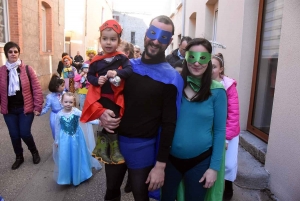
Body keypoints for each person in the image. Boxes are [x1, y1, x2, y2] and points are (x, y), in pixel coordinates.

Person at [96, 15, 183, 201]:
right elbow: (102, 96)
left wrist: (160, 165)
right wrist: (101, 113)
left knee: (140, 195)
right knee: (111, 190)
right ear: (146, 34)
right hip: (113, 140)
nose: (155, 40)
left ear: (170, 41)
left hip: (143, 147)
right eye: (153, 33)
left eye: (163, 37)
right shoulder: (126, 67)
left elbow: (169, 123)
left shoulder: (170, 78)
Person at [161, 38, 227, 201]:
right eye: (192, 57)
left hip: (200, 162)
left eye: (203, 58)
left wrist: (214, 168)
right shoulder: (175, 86)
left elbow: (219, 131)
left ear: (209, 61)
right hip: (170, 160)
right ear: (185, 58)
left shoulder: (217, 91)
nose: (197, 63)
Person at [81, 19, 133, 165]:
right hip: (102, 97)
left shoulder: (121, 57)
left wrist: (116, 72)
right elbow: (90, 76)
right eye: (105, 39)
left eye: (112, 39)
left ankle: (101, 147)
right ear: (100, 40)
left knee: (114, 119)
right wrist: (97, 81)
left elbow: (129, 71)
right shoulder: (96, 60)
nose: (108, 43)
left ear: (118, 41)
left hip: (116, 96)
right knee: (112, 118)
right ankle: (114, 150)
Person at [0, 41, 43, 170]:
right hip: (9, 110)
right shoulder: (2, 71)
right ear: (6, 53)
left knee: (24, 133)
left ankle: (34, 151)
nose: (13, 54)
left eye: (15, 51)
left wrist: (38, 106)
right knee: (14, 135)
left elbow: (36, 89)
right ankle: (19, 157)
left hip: (26, 108)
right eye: (10, 52)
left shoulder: (27, 69)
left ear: (19, 53)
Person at [53, 92, 101, 186]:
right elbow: (57, 128)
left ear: (74, 102)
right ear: (61, 102)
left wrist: (97, 122)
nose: (68, 104)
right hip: (65, 139)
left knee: (77, 154)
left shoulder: (76, 111)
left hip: (77, 137)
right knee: (66, 155)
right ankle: (67, 177)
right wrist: (57, 140)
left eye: (70, 102)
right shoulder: (59, 115)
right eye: (66, 102)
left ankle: (81, 174)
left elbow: (86, 118)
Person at [211, 53, 240, 200]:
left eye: (214, 66)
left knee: (228, 165)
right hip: (211, 131)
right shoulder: (204, 84)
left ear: (221, 69)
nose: (211, 69)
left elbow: (233, 114)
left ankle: (228, 188)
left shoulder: (228, 86)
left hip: (229, 132)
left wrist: (227, 138)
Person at [40, 74, 65, 139]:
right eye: (62, 86)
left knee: (65, 132)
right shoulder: (50, 97)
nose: (64, 87)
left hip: (65, 115)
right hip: (55, 116)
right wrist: (39, 112)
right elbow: (46, 108)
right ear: (56, 87)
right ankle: (57, 145)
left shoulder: (65, 94)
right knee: (56, 132)